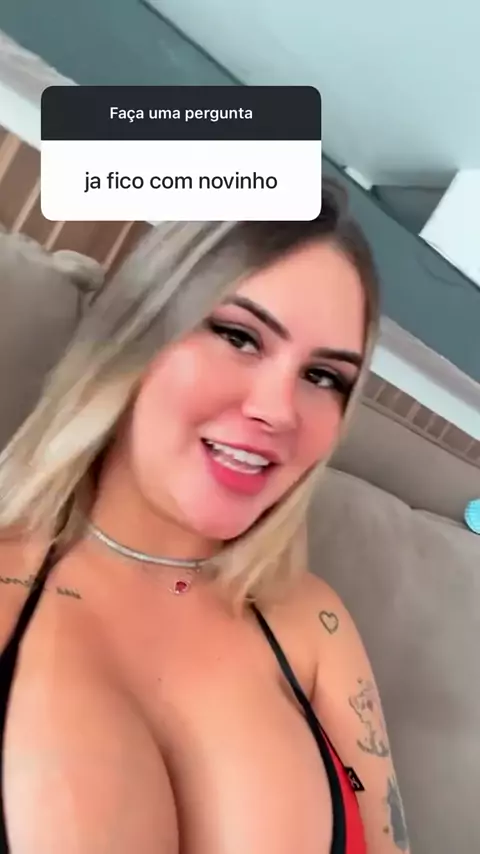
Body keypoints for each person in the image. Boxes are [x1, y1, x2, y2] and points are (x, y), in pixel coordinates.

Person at [0, 182, 410, 854]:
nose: (277, 410)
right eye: (239, 336)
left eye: (323, 377)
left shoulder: (313, 622)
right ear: (140, 333)